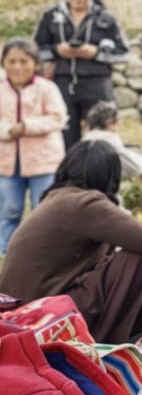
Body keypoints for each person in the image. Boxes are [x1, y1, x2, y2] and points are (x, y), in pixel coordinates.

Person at [0, 140, 142, 343]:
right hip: (41, 319)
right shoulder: (85, 204)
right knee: (139, 261)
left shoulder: (59, 198)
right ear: (109, 176)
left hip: (24, 315)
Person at [34, 0, 129, 147]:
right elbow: (36, 51)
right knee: (63, 136)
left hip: (97, 84)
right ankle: (68, 166)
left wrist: (96, 53)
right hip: (62, 84)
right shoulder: (51, 17)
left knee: (102, 137)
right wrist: (56, 50)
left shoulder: (106, 18)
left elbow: (124, 53)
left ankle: (100, 165)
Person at [0, 38, 68, 254]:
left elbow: (58, 118)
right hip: (7, 163)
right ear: (3, 64)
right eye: (12, 61)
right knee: (10, 209)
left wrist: (27, 126)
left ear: (35, 63)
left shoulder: (47, 88)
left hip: (43, 162)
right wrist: (7, 131)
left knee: (43, 211)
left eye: (24, 61)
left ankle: (43, 255)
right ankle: (6, 253)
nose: (17, 67)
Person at [79, 100, 142, 179]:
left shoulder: (85, 139)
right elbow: (136, 167)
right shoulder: (110, 139)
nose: (120, 124)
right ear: (109, 122)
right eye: (117, 121)